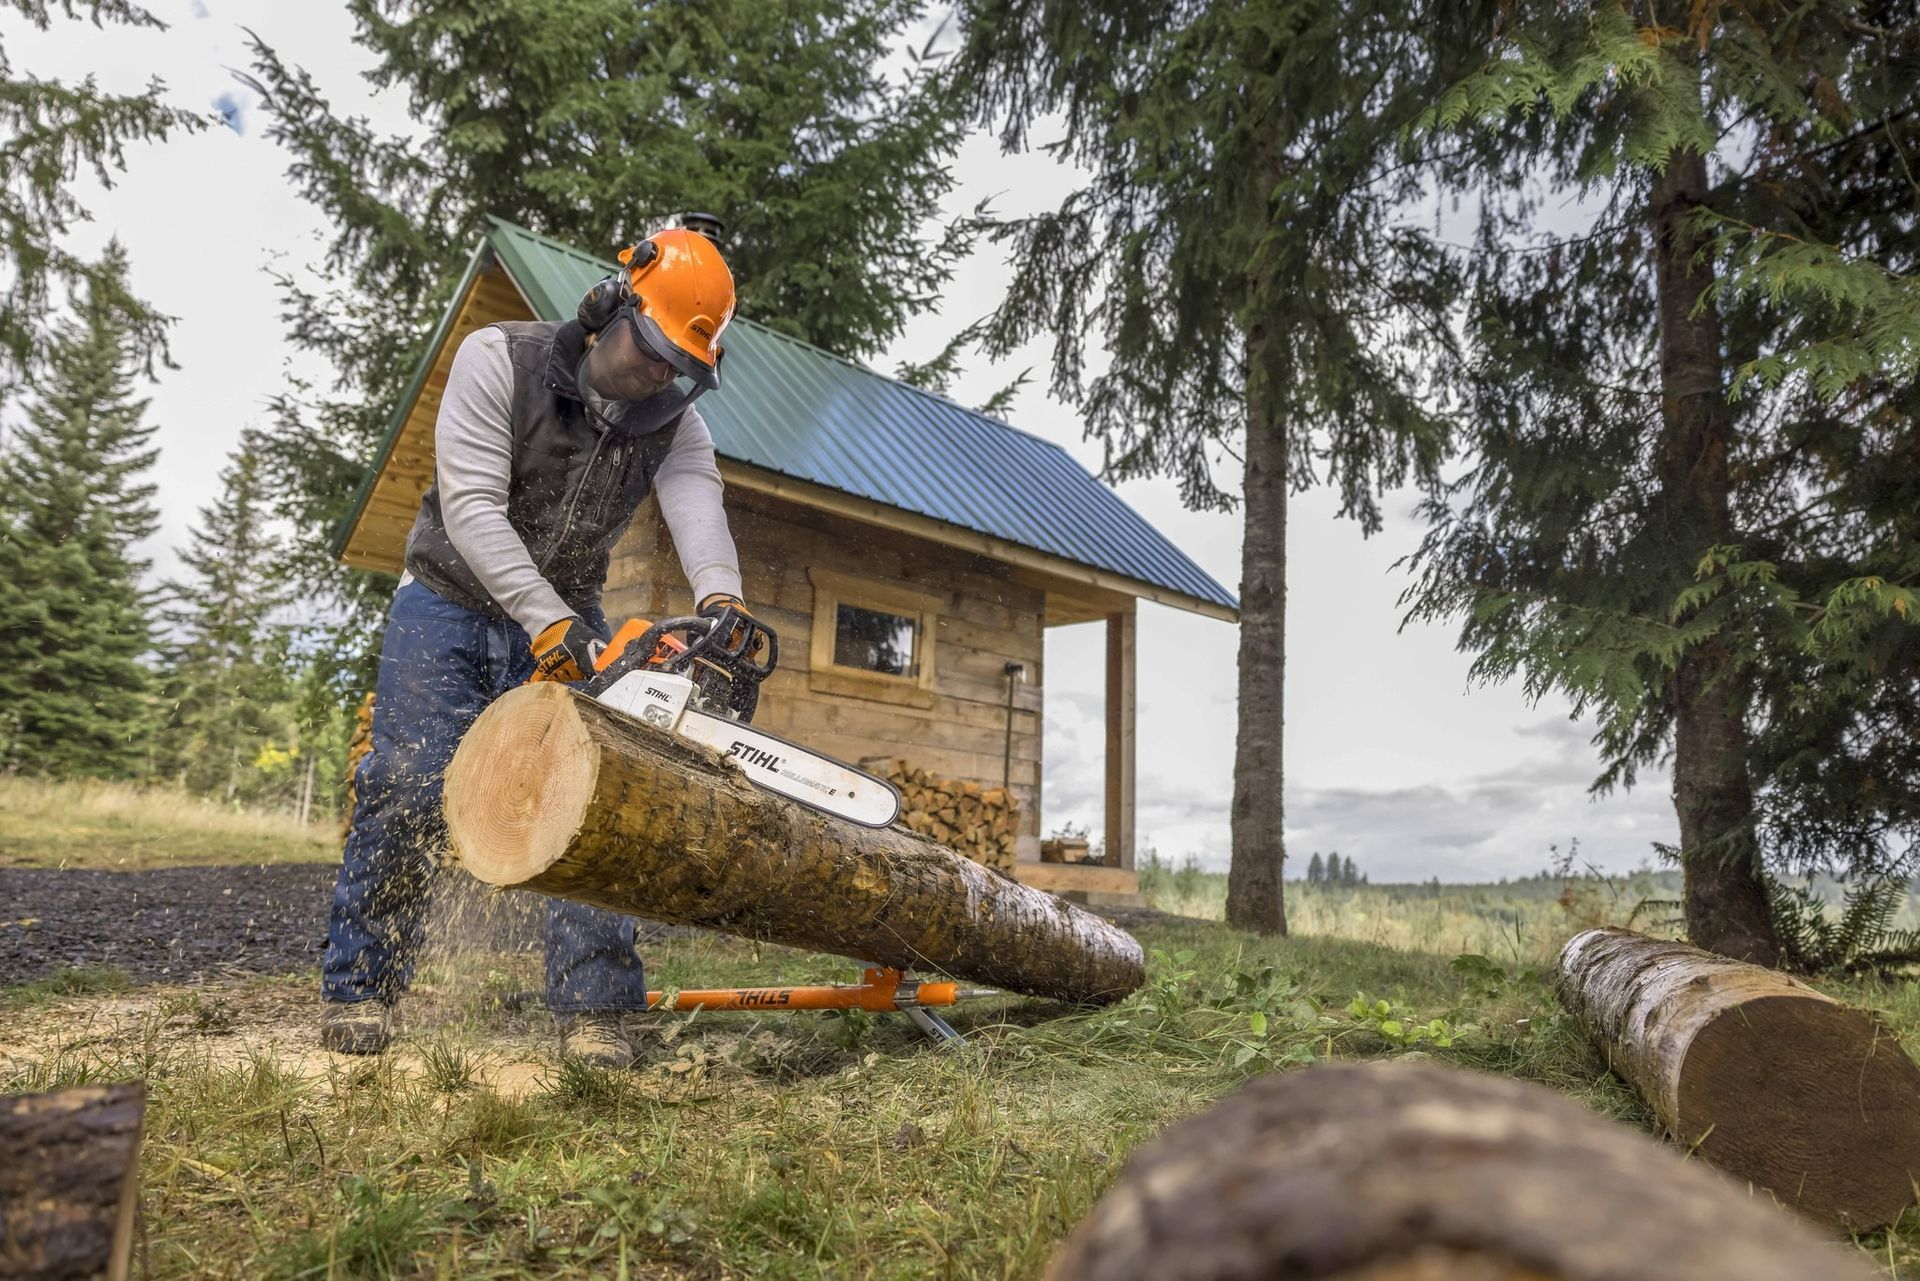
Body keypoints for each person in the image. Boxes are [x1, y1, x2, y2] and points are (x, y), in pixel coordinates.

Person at [320, 220, 746, 1067]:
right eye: (653, 349)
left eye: (680, 367)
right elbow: (473, 508)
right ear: (611, 306)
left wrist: (721, 596)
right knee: (407, 783)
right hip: (443, 598)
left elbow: (696, 495)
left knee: (593, 797)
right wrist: (543, 621)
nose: (659, 374)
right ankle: (360, 988)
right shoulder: (498, 360)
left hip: (567, 609)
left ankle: (596, 1007)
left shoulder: (671, 420)